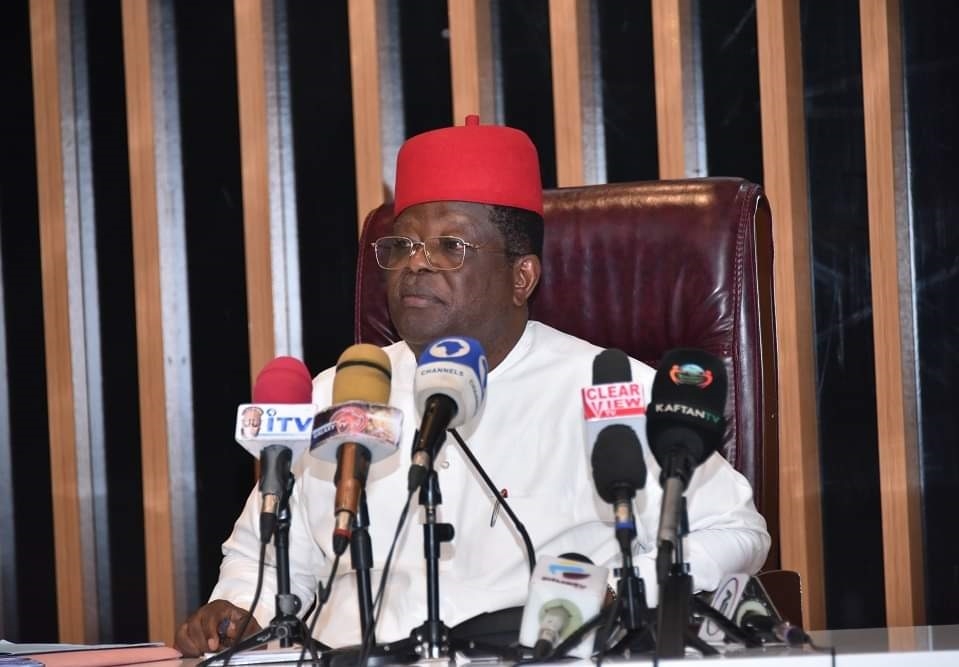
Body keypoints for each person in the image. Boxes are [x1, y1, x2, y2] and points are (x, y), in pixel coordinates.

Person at [174, 115, 770, 657]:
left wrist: (624, 590)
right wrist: (238, 612)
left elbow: (738, 530)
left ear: (522, 276)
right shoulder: (343, 391)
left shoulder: (614, 391)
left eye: (450, 247)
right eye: (403, 245)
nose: (415, 264)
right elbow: (267, 562)